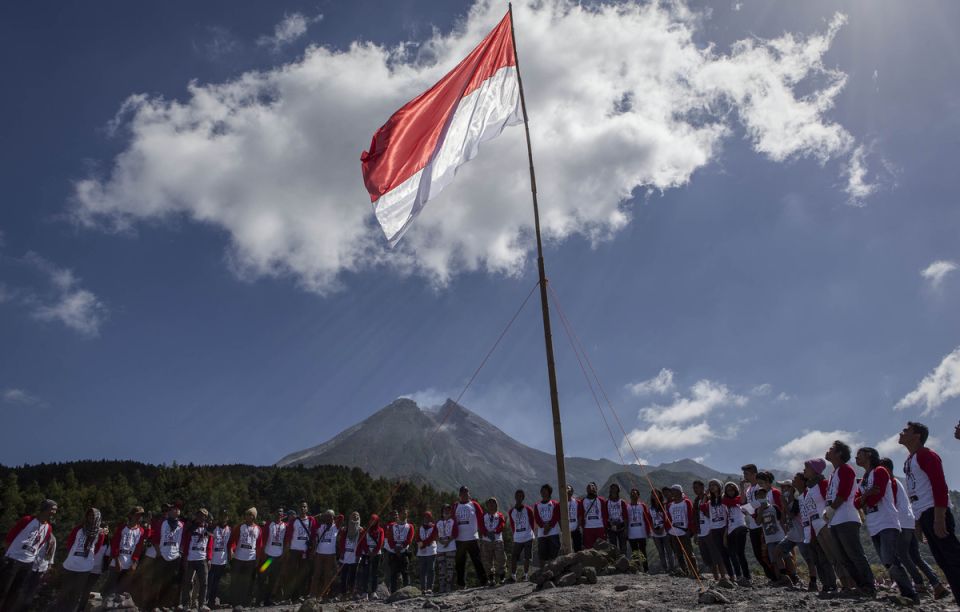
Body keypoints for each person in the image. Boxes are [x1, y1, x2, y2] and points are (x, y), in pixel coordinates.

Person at [900, 421, 960, 602]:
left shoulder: (926, 455)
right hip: (924, 514)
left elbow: (939, 485)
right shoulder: (909, 460)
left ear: (917, 436)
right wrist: (917, 521)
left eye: (907, 430)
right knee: (943, 561)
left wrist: (939, 517)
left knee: (953, 558)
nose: (902, 432)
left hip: (935, 511)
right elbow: (915, 492)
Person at [854, 446, 918, 602]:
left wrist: (864, 498)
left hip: (887, 521)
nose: (856, 457)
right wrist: (867, 494)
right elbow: (856, 503)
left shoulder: (880, 471)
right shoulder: (863, 480)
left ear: (869, 455)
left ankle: (910, 593)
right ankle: (907, 591)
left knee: (889, 559)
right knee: (887, 561)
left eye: (859, 454)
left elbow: (876, 498)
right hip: (873, 524)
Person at [880, 457, 949, 599]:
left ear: (886, 469)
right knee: (915, 556)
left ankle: (919, 583)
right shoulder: (897, 482)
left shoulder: (890, 483)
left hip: (901, 523)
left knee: (902, 555)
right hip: (909, 522)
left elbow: (891, 504)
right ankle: (936, 583)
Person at [824, 439, 875, 596]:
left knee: (855, 554)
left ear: (839, 453)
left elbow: (844, 492)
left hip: (846, 518)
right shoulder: (833, 473)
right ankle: (859, 586)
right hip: (835, 520)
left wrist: (831, 509)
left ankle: (869, 586)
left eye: (831, 449)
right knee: (844, 557)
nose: (827, 451)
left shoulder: (846, 469)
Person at [0, 498, 57, 611]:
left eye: (55, 510)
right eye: (53, 509)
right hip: (13, 558)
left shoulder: (48, 528)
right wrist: (8, 553)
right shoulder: (27, 520)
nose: (54, 512)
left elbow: (40, 544)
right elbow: (11, 536)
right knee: (3, 588)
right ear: (45, 508)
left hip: (28, 562)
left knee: (15, 592)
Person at [803, 458, 846, 595]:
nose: (804, 470)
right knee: (830, 558)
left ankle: (849, 584)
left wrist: (828, 521)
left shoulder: (823, 484)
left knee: (837, 556)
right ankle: (838, 584)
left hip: (825, 524)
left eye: (807, 468)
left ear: (814, 470)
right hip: (816, 527)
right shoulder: (809, 488)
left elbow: (829, 502)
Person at [55, 507, 107, 612]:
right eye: (89, 515)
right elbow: (70, 543)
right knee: (64, 591)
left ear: (98, 518)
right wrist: (74, 555)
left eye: (94, 516)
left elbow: (96, 549)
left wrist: (86, 555)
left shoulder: (100, 533)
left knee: (76, 593)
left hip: (85, 567)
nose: (91, 517)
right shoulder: (78, 529)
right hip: (71, 564)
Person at [741, 464, 776, 580]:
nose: (744, 476)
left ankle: (777, 576)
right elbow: (743, 502)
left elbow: (762, 502)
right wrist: (741, 488)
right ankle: (771, 576)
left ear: (754, 474)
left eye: (746, 474)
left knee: (765, 553)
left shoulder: (759, 487)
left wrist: (748, 508)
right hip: (752, 525)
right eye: (744, 474)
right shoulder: (748, 489)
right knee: (758, 554)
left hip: (762, 524)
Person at [451, 486, 487, 588]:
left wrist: (484, 532)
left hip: (472, 538)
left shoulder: (474, 505)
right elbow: (452, 520)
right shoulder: (455, 506)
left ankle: (484, 581)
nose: (464, 494)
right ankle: (461, 584)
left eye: (466, 492)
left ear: (468, 494)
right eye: (462, 493)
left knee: (477, 561)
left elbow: (481, 519)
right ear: (459, 494)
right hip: (459, 539)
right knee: (460, 563)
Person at [104, 506, 144, 597]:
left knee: (122, 589)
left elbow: (139, 548)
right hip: (117, 560)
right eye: (137, 515)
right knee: (110, 586)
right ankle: (105, 601)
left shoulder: (141, 531)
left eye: (141, 515)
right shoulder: (122, 528)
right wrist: (117, 561)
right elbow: (115, 544)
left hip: (129, 562)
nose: (139, 517)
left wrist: (134, 563)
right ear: (131, 515)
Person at [283, 501, 317, 601]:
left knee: (302, 575)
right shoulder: (294, 521)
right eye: (301, 507)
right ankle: (290, 596)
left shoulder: (311, 520)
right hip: (294, 550)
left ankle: (299, 596)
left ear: (307, 508)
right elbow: (288, 535)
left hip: (305, 551)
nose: (303, 508)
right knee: (292, 573)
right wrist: (287, 550)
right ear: (298, 509)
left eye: (304, 507)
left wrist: (313, 550)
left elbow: (314, 535)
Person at [228, 508, 262, 607]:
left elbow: (259, 545)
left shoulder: (258, 529)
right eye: (247, 514)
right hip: (238, 558)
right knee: (235, 581)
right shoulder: (240, 527)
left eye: (250, 515)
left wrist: (257, 559)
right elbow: (232, 540)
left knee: (247, 582)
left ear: (254, 517)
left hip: (251, 559)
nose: (248, 516)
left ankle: (245, 602)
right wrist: (231, 550)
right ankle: (234, 602)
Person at [153, 503, 185, 607]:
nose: (177, 510)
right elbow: (155, 538)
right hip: (162, 555)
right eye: (174, 509)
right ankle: (154, 605)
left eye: (178, 509)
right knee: (158, 581)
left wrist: (180, 553)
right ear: (169, 511)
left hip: (175, 557)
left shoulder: (182, 525)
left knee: (171, 582)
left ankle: (165, 605)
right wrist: (159, 553)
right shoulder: (162, 523)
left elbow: (184, 540)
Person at [180, 508, 213, 610]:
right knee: (187, 582)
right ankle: (186, 604)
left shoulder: (208, 529)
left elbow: (210, 545)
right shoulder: (191, 527)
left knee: (204, 583)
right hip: (190, 558)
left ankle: (201, 605)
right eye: (199, 514)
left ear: (206, 517)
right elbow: (186, 542)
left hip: (202, 558)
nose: (200, 517)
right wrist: (185, 556)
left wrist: (209, 558)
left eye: (203, 515)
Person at [755, 489, 788, 585]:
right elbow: (758, 522)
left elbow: (781, 521)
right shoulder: (758, 510)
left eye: (763, 495)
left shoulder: (774, 507)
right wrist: (761, 510)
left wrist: (786, 534)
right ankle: (779, 579)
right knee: (773, 560)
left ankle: (790, 576)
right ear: (756, 498)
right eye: (759, 495)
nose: (761, 497)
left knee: (786, 557)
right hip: (769, 539)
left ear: (766, 495)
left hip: (780, 536)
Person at [775, 480, 803, 587]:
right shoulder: (786, 503)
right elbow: (783, 521)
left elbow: (792, 516)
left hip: (801, 534)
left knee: (809, 559)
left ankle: (813, 581)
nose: (782, 490)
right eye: (781, 488)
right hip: (791, 535)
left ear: (792, 489)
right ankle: (787, 577)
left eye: (785, 487)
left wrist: (785, 504)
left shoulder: (797, 501)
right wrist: (783, 507)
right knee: (777, 552)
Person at [704, 479, 732, 583]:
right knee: (720, 554)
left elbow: (729, 514)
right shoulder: (710, 502)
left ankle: (732, 576)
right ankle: (724, 577)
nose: (712, 487)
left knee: (728, 552)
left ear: (719, 486)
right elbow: (703, 508)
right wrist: (705, 496)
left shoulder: (724, 498)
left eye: (714, 485)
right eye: (710, 485)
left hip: (724, 528)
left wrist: (727, 530)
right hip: (714, 529)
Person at [722, 482, 750, 585]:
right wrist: (725, 535)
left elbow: (744, 504)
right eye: (728, 490)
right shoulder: (725, 503)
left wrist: (742, 487)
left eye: (732, 490)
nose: (731, 492)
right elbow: (726, 519)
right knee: (732, 554)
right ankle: (738, 576)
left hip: (740, 528)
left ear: (736, 490)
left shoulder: (740, 500)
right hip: (730, 530)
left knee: (740, 553)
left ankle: (747, 576)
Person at [666, 484, 697, 576]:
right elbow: (669, 518)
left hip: (684, 531)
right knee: (678, 554)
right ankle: (685, 571)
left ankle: (694, 572)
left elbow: (691, 516)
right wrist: (668, 530)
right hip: (674, 533)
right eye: (671, 491)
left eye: (674, 490)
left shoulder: (686, 502)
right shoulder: (670, 505)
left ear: (680, 491)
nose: (672, 492)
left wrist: (690, 530)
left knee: (689, 553)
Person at [21, 531, 55, 611]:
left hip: (41, 568)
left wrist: (48, 568)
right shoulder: (37, 534)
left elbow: (51, 555)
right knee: (22, 588)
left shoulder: (52, 539)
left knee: (32, 591)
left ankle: (25, 607)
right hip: (30, 564)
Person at [260, 506, 287, 605]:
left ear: (283, 515)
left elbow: (287, 540)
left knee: (273, 579)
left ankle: (269, 600)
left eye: (281, 512)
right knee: (263, 576)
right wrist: (262, 553)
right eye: (278, 512)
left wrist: (284, 555)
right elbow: (263, 538)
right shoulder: (269, 524)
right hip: (268, 557)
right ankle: (259, 599)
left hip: (278, 557)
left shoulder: (285, 526)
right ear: (275, 513)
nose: (279, 514)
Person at [310, 509, 339, 599]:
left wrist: (332, 517)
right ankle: (312, 594)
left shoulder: (336, 526)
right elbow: (313, 520)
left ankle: (324, 595)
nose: (327, 518)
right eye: (326, 516)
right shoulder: (321, 526)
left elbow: (341, 517)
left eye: (329, 516)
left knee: (327, 575)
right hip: (319, 553)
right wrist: (321, 516)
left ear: (333, 517)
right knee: (316, 574)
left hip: (330, 554)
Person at [508, 491, 534, 582]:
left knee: (527, 557)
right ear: (515, 497)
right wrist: (515, 535)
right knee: (514, 556)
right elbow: (512, 525)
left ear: (523, 497)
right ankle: (513, 576)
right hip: (518, 538)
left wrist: (531, 534)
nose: (518, 498)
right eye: (517, 496)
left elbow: (532, 522)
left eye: (520, 496)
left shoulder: (528, 509)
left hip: (528, 537)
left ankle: (525, 575)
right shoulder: (511, 511)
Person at [357, 513, 385, 600]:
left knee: (375, 573)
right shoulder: (365, 530)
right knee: (365, 573)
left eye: (374, 520)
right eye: (371, 520)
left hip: (376, 554)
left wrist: (374, 552)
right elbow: (363, 541)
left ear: (377, 521)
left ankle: (373, 592)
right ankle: (365, 593)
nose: (372, 521)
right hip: (366, 554)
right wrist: (367, 551)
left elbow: (380, 542)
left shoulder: (380, 530)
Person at [207, 509, 231, 607]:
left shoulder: (229, 529)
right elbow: (208, 541)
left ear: (227, 518)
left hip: (222, 560)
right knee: (209, 582)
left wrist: (230, 555)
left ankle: (212, 601)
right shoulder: (213, 527)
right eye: (222, 515)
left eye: (225, 516)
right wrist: (208, 557)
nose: (223, 518)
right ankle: (206, 601)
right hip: (212, 559)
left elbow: (230, 544)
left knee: (217, 582)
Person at [479, 498, 506, 585]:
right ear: (487, 505)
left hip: (497, 540)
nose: (491, 505)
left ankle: (502, 577)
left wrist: (494, 531)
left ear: (496, 505)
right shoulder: (484, 516)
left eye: (493, 503)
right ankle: (491, 579)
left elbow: (502, 525)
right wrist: (486, 533)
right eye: (489, 503)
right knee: (487, 561)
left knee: (500, 559)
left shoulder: (500, 515)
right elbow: (481, 526)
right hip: (486, 541)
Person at [626, 488, 652, 572]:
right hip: (631, 533)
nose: (633, 495)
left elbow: (647, 519)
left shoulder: (642, 506)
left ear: (638, 496)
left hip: (642, 532)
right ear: (630, 496)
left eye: (635, 494)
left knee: (643, 551)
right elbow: (626, 520)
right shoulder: (627, 507)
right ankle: (637, 568)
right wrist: (626, 532)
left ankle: (646, 569)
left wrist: (648, 531)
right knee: (634, 552)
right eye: (632, 494)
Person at [649, 489, 675, 574]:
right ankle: (665, 568)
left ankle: (672, 568)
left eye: (656, 493)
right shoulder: (651, 508)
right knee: (660, 552)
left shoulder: (664, 505)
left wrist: (663, 528)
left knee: (669, 551)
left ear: (660, 495)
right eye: (653, 494)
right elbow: (650, 520)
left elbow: (668, 518)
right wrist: (653, 529)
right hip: (655, 533)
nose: (654, 495)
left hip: (665, 532)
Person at [534, 484, 561, 564]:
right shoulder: (537, 505)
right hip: (542, 534)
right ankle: (543, 571)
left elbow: (556, 517)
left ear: (549, 492)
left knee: (554, 556)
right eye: (542, 491)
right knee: (542, 557)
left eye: (545, 491)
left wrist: (548, 527)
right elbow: (537, 518)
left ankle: (553, 570)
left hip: (553, 533)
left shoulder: (555, 504)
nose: (543, 492)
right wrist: (544, 526)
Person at [338, 512, 363, 599]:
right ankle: (343, 593)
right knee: (344, 575)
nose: (355, 516)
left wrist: (358, 555)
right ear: (350, 517)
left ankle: (351, 592)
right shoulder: (345, 529)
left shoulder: (361, 530)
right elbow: (341, 541)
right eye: (353, 515)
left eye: (357, 515)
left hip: (354, 555)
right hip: (345, 554)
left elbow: (361, 544)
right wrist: (341, 552)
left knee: (353, 575)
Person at [692, 480, 713, 578]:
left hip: (710, 530)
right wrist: (696, 533)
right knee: (705, 556)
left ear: (702, 487)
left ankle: (721, 576)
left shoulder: (710, 498)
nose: (695, 490)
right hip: (701, 532)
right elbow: (695, 518)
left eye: (697, 487)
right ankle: (715, 575)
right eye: (694, 488)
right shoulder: (696, 501)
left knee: (714, 554)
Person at [434, 506, 457, 593]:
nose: (446, 512)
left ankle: (448, 586)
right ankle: (441, 587)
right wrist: (440, 541)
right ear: (442, 512)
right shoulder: (438, 522)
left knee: (450, 567)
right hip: (440, 547)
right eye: (445, 510)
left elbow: (455, 532)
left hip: (451, 546)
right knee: (441, 568)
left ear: (451, 512)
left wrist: (448, 541)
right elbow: (435, 533)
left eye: (448, 510)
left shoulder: (453, 521)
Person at [415, 511, 437, 594]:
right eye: (425, 517)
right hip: (421, 552)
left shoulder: (434, 527)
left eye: (428, 517)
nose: (426, 519)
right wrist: (422, 546)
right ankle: (423, 588)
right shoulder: (420, 527)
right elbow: (417, 538)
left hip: (431, 551)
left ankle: (429, 588)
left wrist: (423, 544)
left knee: (431, 569)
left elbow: (432, 537)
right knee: (422, 570)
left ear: (430, 518)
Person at [580, 482, 606, 549]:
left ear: (596, 489)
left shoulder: (601, 500)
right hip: (588, 528)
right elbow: (581, 514)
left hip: (600, 527)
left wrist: (605, 527)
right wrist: (582, 526)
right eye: (589, 487)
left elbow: (605, 514)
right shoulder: (583, 501)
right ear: (587, 490)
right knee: (589, 548)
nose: (591, 489)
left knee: (601, 548)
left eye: (593, 487)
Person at [605, 483, 628, 555]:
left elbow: (625, 516)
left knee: (623, 546)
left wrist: (626, 529)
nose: (613, 489)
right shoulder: (607, 502)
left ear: (618, 490)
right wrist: (606, 528)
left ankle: (624, 560)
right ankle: (614, 560)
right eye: (612, 488)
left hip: (621, 527)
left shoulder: (622, 502)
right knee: (613, 547)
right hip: (611, 527)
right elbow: (605, 516)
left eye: (615, 488)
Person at [566, 486, 584, 552]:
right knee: (567, 549)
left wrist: (578, 526)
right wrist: (563, 528)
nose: (568, 492)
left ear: (572, 492)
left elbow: (580, 515)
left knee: (578, 548)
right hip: (566, 530)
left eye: (570, 490)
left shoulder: (577, 502)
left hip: (576, 529)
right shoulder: (561, 504)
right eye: (566, 490)